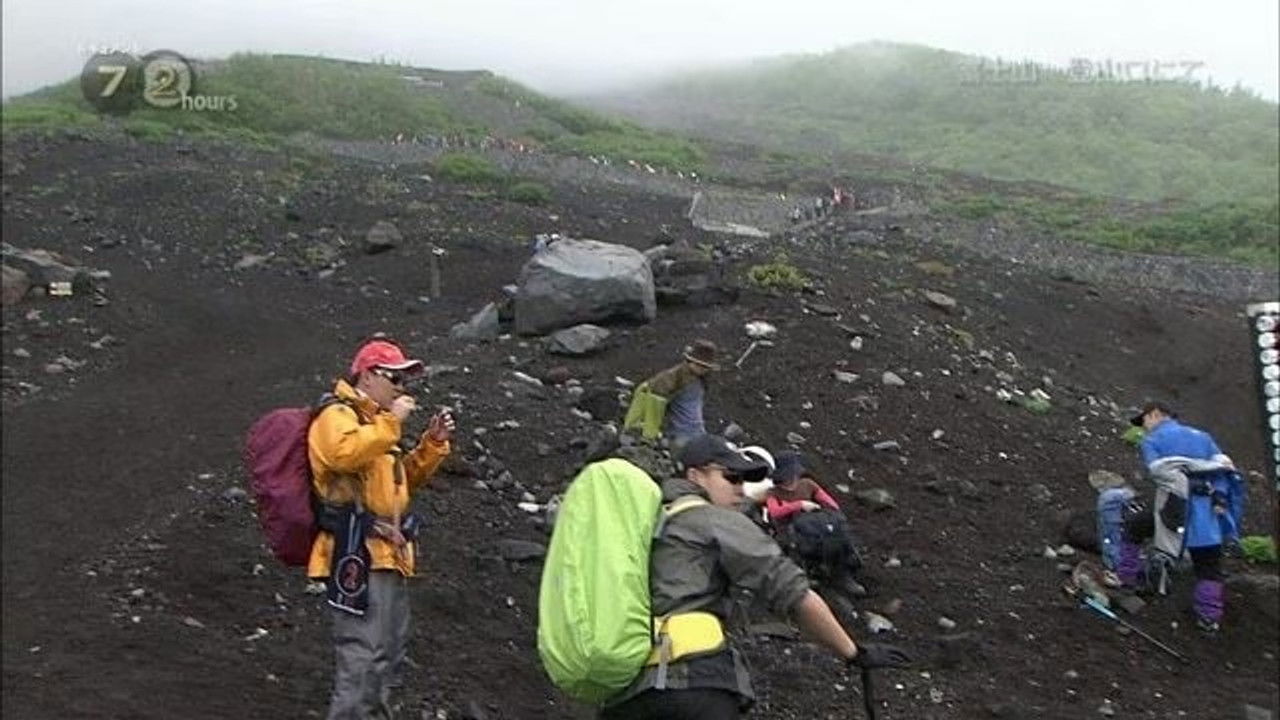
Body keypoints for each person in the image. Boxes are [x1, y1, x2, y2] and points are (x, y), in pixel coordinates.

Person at [600, 434, 910, 720]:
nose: (740, 487)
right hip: (693, 682)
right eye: (731, 477)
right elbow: (791, 591)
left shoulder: (649, 523)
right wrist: (853, 652)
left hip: (626, 694)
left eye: (745, 479)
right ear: (695, 476)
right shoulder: (712, 519)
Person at [307, 337, 456, 718]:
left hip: (388, 554)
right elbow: (342, 455)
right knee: (363, 654)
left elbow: (395, 486)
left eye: (405, 381)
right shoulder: (338, 415)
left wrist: (431, 446)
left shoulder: (375, 425)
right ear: (368, 375)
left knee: (387, 654)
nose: (402, 389)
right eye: (395, 378)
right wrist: (392, 422)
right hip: (354, 551)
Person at [1126, 401, 1244, 633]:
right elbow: (1224, 469)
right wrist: (1220, 497)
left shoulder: (1152, 441)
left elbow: (1157, 471)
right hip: (1206, 512)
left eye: (1144, 420)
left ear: (1155, 415)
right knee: (1209, 564)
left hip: (1173, 508)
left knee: (1134, 529)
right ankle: (1209, 618)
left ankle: (1127, 579)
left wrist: (1181, 472)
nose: (1144, 427)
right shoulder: (1204, 437)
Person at [764, 452, 864, 598]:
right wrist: (799, 505)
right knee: (798, 545)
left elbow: (831, 504)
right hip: (790, 530)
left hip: (813, 525)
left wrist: (824, 511)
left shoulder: (808, 485)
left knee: (836, 535)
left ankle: (843, 573)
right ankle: (805, 576)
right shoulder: (773, 493)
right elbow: (775, 512)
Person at [625, 340, 719, 453]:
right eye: (699, 365)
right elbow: (654, 406)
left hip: (697, 430)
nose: (702, 369)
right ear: (690, 361)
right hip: (680, 434)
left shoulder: (701, 380)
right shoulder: (671, 378)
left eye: (705, 367)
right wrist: (650, 434)